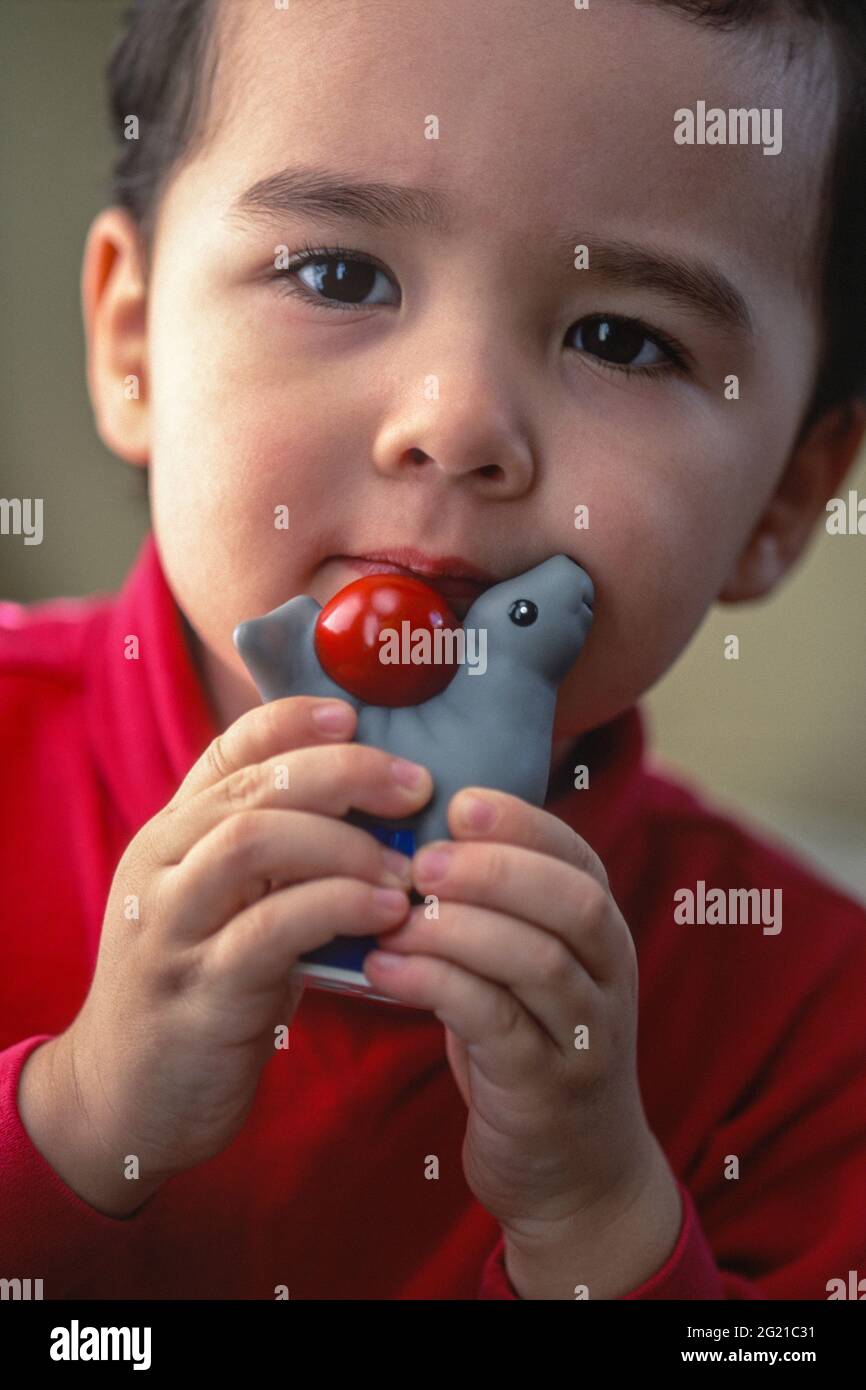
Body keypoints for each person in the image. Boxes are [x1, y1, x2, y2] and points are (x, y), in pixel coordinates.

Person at [2, 0, 865, 1300]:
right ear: (132, 345)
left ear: (785, 500)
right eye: (339, 274)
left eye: (620, 337)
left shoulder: (814, 1021)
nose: (455, 420)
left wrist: (601, 1221)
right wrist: (68, 1122)